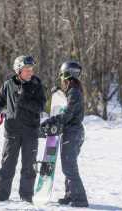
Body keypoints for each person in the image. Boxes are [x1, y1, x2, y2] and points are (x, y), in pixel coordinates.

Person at [0, 55, 46, 203]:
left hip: (30, 132)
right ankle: (1, 194)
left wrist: (24, 99)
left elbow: (40, 107)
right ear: (18, 70)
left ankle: (26, 196)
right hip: (12, 131)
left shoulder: (37, 84)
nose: (30, 72)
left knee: (29, 166)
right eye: (27, 69)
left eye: (31, 69)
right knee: (7, 165)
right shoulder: (8, 84)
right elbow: (0, 102)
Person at [40, 61, 89, 207]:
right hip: (72, 132)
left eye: (62, 75)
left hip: (73, 133)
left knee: (69, 167)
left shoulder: (74, 92)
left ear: (67, 75)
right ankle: (70, 195)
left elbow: (67, 115)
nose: (61, 78)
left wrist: (51, 121)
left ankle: (80, 199)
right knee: (68, 166)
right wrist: (60, 93)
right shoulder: (73, 90)